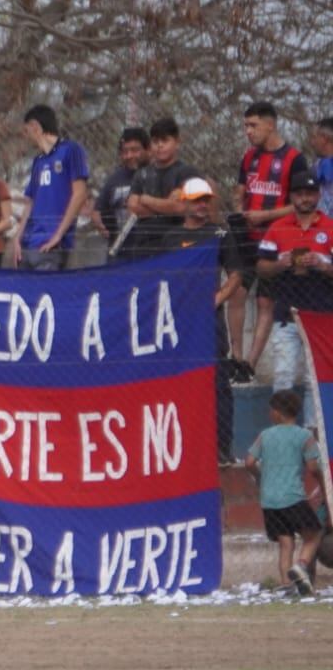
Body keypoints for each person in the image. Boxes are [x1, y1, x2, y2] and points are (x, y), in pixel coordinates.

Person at [155, 178, 245, 464]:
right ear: (183, 202)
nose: (202, 205)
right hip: (177, 320)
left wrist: (217, 299)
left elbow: (236, 275)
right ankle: (181, 446)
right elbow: (158, 278)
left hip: (209, 320)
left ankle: (222, 448)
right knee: (177, 381)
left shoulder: (219, 233)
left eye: (206, 199)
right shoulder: (169, 238)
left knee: (218, 382)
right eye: (196, 200)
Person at [231, 102, 308, 374]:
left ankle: (250, 364)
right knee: (237, 290)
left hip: (277, 240)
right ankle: (236, 357)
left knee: (266, 301)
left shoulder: (294, 159)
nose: (248, 131)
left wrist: (266, 216)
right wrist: (239, 207)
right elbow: (240, 190)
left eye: (253, 125)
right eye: (245, 126)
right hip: (247, 237)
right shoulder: (249, 157)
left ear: (270, 124)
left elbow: (300, 203)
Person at [255, 170, 333, 393]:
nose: (305, 199)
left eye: (310, 193)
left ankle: (313, 427)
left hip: (322, 314)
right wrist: (282, 263)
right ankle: (282, 427)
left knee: (315, 379)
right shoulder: (277, 227)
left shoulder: (330, 227)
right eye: (300, 194)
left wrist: (322, 265)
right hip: (286, 313)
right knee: (283, 374)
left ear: (318, 196)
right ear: (291, 197)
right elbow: (261, 268)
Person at [246, 390, 324, 596]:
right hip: (293, 497)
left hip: (270, 500)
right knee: (314, 534)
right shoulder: (304, 436)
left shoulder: (265, 435)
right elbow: (313, 467)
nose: (269, 414)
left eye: (270, 410)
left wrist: (260, 476)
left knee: (285, 541)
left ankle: (286, 584)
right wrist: (322, 483)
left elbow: (249, 462)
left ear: (278, 413)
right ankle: (301, 565)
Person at [8, 104, 90, 272]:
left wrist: (58, 235)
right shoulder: (38, 161)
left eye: (26, 131)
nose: (26, 136)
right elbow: (31, 201)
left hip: (50, 244)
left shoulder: (70, 150)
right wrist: (18, 236)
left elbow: (79, 194)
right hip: (29, 243)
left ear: (35, 127)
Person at [122, 116, 203, 259]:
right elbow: (133, 207)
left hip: (176, 245)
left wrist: (145, 199)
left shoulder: (186, 172)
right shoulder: (142, 174)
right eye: (155, 141)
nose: (159, 146)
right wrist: (167, 205)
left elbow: (181, 208)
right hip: (144, 246)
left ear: (177, 142)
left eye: (164, 141)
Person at [91, 128, 150, 245]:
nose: (129, 156)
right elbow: (97, 210)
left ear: (148, 150)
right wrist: (98, 221)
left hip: (151, 248)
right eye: (124, 152)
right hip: (120, 248)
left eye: (134, 150)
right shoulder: (114, 179)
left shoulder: (157, 174)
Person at [313, 117, 333, 219]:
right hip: (319, 229)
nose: (313, 142)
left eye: (315, 137)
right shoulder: (316, 166)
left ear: (324, 139)